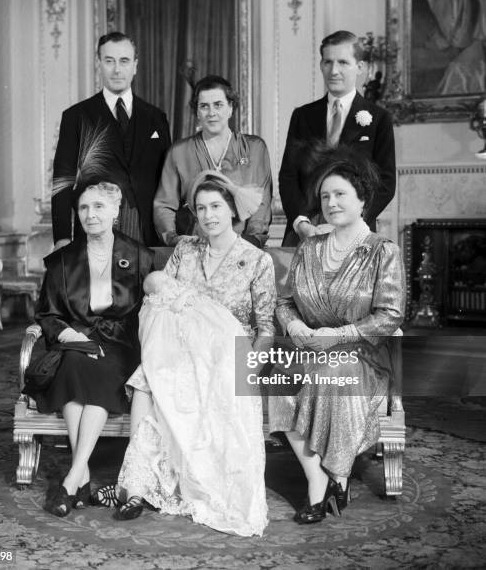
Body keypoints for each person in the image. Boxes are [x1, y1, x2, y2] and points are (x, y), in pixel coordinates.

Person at [96, 171, 276, 536]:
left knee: (171, 379)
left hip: (228, 353)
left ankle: (171, 484)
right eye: (201, 208)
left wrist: (249, 368)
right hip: (181, 349)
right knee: (148, 378)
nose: (208, 216)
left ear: (233, 210)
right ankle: (136, 485)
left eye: (216, 207)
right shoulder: (185, 250)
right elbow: (160, 299)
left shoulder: (257, 260)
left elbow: (266, 328)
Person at [269, 145, 405, 524]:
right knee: (275, 377)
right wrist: (294, 325)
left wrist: (340, 334)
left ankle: (331, 481)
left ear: (363, 200)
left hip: (361, 354)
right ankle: (321, 478)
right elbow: (285, 302)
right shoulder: (309, 248)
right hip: (310, 345)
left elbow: (391, 315)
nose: (331, 202)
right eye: (325, 196)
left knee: (332, 374)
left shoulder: (383, 251)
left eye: (340, 194)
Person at [34, 180, 153, 518]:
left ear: (116, 211)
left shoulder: (139, 256)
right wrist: (71, 336)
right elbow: (47, 313)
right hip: (77, 340)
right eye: (84, 208)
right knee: (74, 361)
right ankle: (80, 476)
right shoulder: (61, 261)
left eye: (99, 206)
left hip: (121, 345)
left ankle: (74, 478)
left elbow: (150, 310)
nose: (90, 214)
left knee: (96, 368)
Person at [52, 32, 171, 249]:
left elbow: (168, 183)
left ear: (135, 65)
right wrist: (62, 237)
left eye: (124, 61)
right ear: (99, 64)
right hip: (94, 230)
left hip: (147, 234)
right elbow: (62, 182)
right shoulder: (76, 117)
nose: (117, 69)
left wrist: (170, 233)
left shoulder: (156, 118)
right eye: (109, 61)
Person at [279, 30, 396, 246]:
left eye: (343, 62)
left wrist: (349, 221)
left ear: (360, 67)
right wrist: (301, 222)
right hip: (306, 231)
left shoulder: (379, 118)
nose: (334, 71)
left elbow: (386, 183)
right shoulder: (302, 116)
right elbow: (288, 176)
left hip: (355, 233)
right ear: (321, 65)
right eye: (328, 62)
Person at [153, 75, 272, 248]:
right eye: (204, 106)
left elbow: (262, 202)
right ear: (197, 113)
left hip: (243, 247)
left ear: (231, 108)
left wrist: (249, 242)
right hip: (194, 247)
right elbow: (163, 204)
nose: (211, 113)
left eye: (218, 105)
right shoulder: (179, 152)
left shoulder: (254, 148)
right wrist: (173, 238)